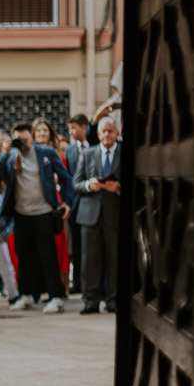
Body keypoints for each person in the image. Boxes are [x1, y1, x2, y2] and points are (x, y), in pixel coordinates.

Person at [0, 122, 75, 314]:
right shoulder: (11, 155)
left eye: (25, 139)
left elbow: (66, 178)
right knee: (23, 256)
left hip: (43, 212)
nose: (23, 143)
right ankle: (26, 295)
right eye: (18, 139)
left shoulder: (46, 152)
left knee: (48, 255)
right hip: (20, 213)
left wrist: (66, 202)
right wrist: (5, 153)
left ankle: (55, 297)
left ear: (31, 136)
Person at [72, 116, 121, 314]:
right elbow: (76, 183)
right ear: (98, 134)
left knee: (114, 260)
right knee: (89, 261)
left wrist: (118, 187)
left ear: (117, 133)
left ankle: (113, 301)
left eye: (110, 131)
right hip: (89, 215)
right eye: (103, 131)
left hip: (114, 215)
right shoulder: (88, 154)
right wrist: (87, 185)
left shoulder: (124, 152)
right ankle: (90, 301)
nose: (107, 135)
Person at [32, 117, 71, 294]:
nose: (42, 133)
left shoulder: (56, 152)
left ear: (50, 133)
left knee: (58, 244)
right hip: (33, 202)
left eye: (45, 130)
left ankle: (62, 284)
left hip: (53, 201)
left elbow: (65, 178)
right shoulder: (28, 153)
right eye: (38, 130)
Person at [64, 113, 90, 294]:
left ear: (83, 127)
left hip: (92, 202)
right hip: (75, 204)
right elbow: (68, 179)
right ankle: (79, 283)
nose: (71, 132)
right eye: (69, 129)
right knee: (77, 247)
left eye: (73, 128)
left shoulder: (94, 145)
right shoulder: (70, 151)